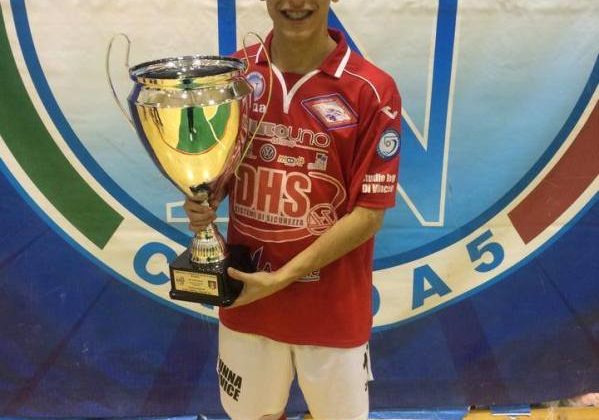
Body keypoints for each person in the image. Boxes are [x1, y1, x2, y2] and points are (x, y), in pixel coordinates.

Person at [184, 0, 401, 418]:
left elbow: (369, 213)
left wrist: (280, 279)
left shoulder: (372, 89)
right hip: (247, 301)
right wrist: (204, 198)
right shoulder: (234, 76)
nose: (295, 3)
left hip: (331, 311)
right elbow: (221, 168)